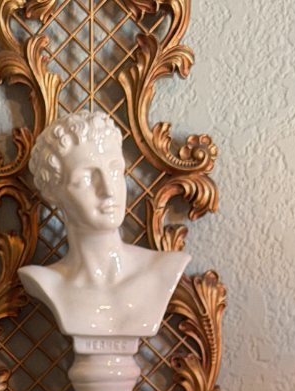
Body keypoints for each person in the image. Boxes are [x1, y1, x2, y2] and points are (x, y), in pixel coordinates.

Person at [19, 110, 187, 340]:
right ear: (53, 193)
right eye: (86, 178)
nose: (108, 190)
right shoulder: (48, 283)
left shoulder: (164, 270)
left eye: (115, 171)